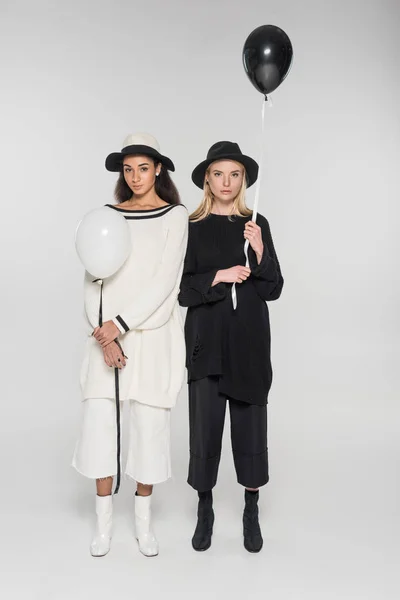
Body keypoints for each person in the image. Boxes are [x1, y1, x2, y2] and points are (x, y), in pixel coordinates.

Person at [73, 133, 188, 557]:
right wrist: (104, 335)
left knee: (149, 430)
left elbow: (165, 280)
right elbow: (92, 277)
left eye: (144, 167)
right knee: (100, 428)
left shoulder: (174, 216)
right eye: (128, 169)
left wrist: (120, 325)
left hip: (151, 335)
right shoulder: (106, 216)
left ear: (158, 168)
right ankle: (103, 527)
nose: (136, 176)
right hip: (106, 337)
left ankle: (143, 525)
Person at [178, 141, 283, 553]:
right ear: (207, 178)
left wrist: (259, 250)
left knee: (250, 424)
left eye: (234, 174)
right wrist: (218, 275)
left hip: (248, 341)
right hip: (206, 341)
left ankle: (250, 508)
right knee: (205, 429)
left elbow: (273, 288)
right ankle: (205, 508)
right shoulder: (190, 226)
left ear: (243, 180)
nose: (226, 182)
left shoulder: (257, 223)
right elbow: (183, 291)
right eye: (218, 174)